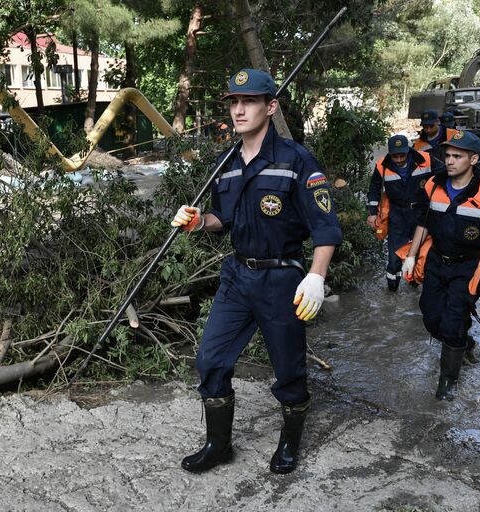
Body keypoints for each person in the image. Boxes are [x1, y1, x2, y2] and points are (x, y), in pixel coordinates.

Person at [171, 68, 342, 474]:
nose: (239, 109)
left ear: (271, 106)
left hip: (283, 279)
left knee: (288, 368)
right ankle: (218, 444)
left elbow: (326, 227)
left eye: (248, 101)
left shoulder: (296, 160)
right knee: (211, 357)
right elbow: (221, 219)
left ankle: (290, 440)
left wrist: (316, 277)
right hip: (237, 277)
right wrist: (198, 222)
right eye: (233, 102)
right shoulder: (225, 164)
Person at [402, 131, 480, 400]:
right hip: (436, 262)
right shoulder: (432, 186)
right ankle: (466, 343)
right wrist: (411, 255)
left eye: (457, 156)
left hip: (468, 268)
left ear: (473, 159)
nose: (449, 161)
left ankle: (447, 383)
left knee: (453, 322)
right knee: (431, 318)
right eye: (448, 155)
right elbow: (423, 223)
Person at [366, 134, 432, 291]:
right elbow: (374, 189)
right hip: (397, 213)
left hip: (421, 211)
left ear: (408, 151)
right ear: (389, 153)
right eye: (395, 156)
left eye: (402, 155)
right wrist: (372, 212)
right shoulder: (382, 165)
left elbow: (444, 178)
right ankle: (392, 289)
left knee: (422, 250)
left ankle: (416, 282)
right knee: (395, 253)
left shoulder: (425, 160)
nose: (398, 159)